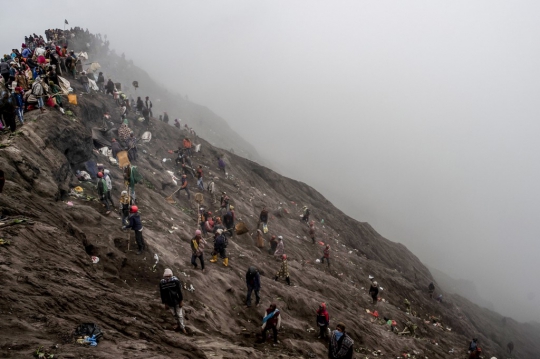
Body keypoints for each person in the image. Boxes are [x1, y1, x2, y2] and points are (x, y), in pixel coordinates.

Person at [159, 268, 187, 334]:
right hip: (169, 301)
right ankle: (178, 325)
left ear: (171, 275)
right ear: (164, 276)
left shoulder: (175, 281)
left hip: (176, 300)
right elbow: (162, 293)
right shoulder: (162, 283)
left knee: (179, 315)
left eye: (169, 276)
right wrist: (165, 303)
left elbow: (179, 292)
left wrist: (181, 301)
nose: (168, 278)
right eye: (166, 276)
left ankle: (182, 327)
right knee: (174, 314)